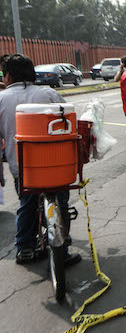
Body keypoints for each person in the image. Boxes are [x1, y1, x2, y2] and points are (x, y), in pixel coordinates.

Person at [0, 54, 81, 265]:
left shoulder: (2, 99)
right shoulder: (49, 93)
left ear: (8, 76)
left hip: (24, 169)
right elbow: (72, 122)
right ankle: (62, 246)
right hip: (57, 166)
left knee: (26, 205)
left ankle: (25, 247)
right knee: (61, 203)